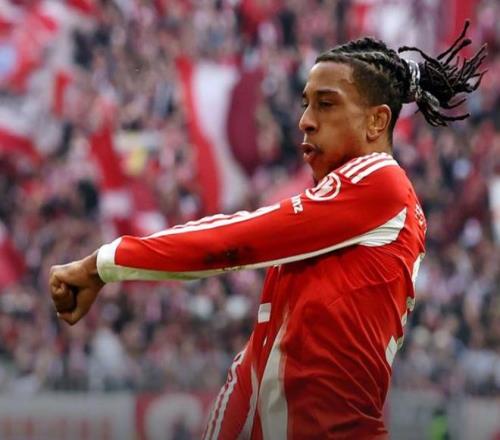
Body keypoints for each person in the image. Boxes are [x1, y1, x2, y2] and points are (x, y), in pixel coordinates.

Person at [49, 22, 486, 439]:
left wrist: (102, 264)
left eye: (326, 104)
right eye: (306, 103)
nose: (305, 121)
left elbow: (237, 239)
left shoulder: (380, 183)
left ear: (376, 122)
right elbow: (255, 362)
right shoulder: (330, 228)